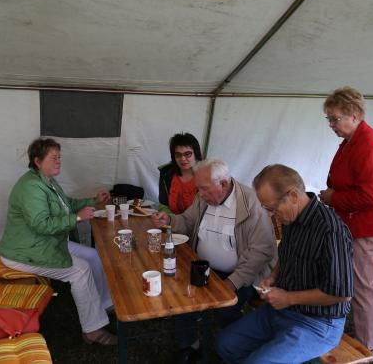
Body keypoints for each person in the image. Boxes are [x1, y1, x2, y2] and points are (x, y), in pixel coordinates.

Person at [216, 164, 353, 363]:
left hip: (317, 323)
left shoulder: (331, 232)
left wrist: (289, 298)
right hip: (281, 310)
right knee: (225, 344)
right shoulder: (290, 218)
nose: (271, 215)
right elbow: (287, 254)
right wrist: (272, 276)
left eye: (272, 208)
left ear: (293, 196)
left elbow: (342, 294)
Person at [151, 159, 277, 363]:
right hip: (204, 267)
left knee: (225, 307)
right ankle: (190, 347)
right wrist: (170, 221)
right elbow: (187, 221)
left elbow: (261, 252)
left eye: (203, 189)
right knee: (183, 296)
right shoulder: (204, 198)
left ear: (224, 184)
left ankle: (236, 346)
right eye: (198, 189)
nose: (199, 194)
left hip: (241, 274)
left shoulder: (250, 201)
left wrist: (231, 283)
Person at [0, 138, 117, 345]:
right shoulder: (31, 187)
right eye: (54, 158)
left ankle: (102, 306)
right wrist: (77, 218)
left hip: (44, 243)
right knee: (80, 270)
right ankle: (92, 330)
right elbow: (41, 225)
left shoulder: (47, 181)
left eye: (59, 157)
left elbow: (67, 204)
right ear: (37, 161)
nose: (59, 161)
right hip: (25, 251)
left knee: (94, 256)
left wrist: (93, 201)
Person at [318, 86, 373, 352]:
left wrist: (332, 197)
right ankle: (343, 331)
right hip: (351, 223)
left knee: (362, 287)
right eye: (329, 118)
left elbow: (368, 197)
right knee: (347, 279)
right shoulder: (352, 140)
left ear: (353, 114)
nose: (331, 124)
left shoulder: (369, 145)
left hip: (366, 227)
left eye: (334, 118)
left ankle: (366, 347)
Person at [158, 133, 203, 214]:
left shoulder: (207, 174)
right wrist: (170, 220)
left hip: (197, 225)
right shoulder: (166, 173)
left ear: (196, 153)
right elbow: (163, 205)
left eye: (188, 154)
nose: (182, 159)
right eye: (178, 155)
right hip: (172, 223)